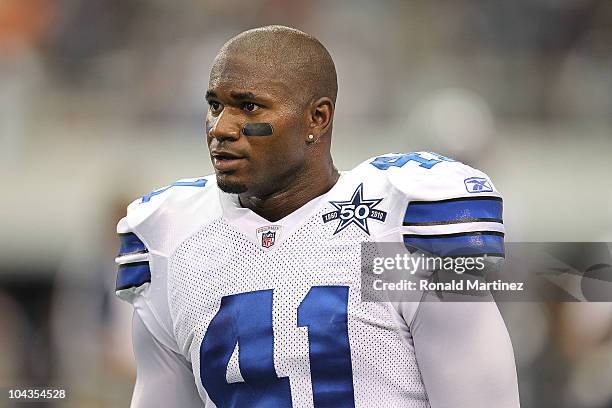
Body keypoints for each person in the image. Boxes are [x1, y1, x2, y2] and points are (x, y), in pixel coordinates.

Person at [115, 25, 520, 407]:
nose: (221, 127)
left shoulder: (397, 222)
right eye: (215, 105)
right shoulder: (173, 237)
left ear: (317, 118)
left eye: (249, 107)